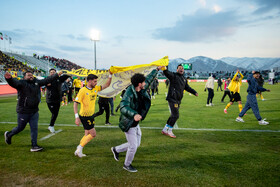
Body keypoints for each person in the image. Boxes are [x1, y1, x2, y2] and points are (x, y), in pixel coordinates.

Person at [111, 67, 162, 172]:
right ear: (139, 84)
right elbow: (124, 106)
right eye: (143, 82)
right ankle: (127, 165)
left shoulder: (141, 88)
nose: (145, 83)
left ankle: (116, 149)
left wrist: (157, 69)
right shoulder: (129, 92)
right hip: (129, 122)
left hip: (135, 122)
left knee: (136, 144)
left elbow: (148, 79)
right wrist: (134, 114)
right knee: (133, 146)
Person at [4, 70, 61, 151]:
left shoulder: (37, 82)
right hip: (23, 111)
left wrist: (56, 75)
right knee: (20, 128)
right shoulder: (22, 83)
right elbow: (14, 83)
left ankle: (34, 145)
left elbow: (46, 80)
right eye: (28, 75)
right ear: (24, 77)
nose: (31, 76)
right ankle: (9, 134)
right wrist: (9, 79)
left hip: (34, 111)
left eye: (31, 75)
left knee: (34, 128)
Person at [73, 73, 112, 157]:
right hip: (84, 116)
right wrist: (76, 117)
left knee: (87, 134)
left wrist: (110, 75)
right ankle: (79, 148)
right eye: (94, 81)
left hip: (91, 115)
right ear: (89, 81)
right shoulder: (83, 90)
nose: (96, 83)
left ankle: (78, 150)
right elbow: (75, 104)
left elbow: (107, 85)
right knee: (93, 134)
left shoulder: (95, 89)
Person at [161, 65, 198, 138]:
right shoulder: (174, 76)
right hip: (172, 98)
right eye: (180, 68)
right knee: (176, 115)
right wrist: (165, 68)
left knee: (173, 115)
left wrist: (194, 92)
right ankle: (170, 131)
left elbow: (187, 87)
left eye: (182, 68)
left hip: (178, 100)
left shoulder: (184, 78)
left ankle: (165, 129)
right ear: (177, 69)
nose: (181, 69)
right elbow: (167, 73)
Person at [46, 68, 70, 133]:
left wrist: (71, 72)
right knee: (54, 113)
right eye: (51, 72)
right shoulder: (48, 79)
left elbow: (66, 75)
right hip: (50, 100)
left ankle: (51, 126)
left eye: (54, 72)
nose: (52, 73)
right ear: (49, 73)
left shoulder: (59, 79)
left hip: (57, 99)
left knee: (55, 113)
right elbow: (47, 83)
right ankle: (51, 126)